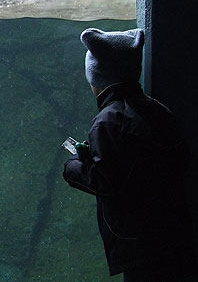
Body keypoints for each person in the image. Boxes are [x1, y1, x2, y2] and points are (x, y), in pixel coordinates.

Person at [63, 28, 196, 282]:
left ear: (98, 78)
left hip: (138, 243)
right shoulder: (157, 109)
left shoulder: (107, 121)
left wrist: (73, 167)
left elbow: (105, 180)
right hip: (174, 231)